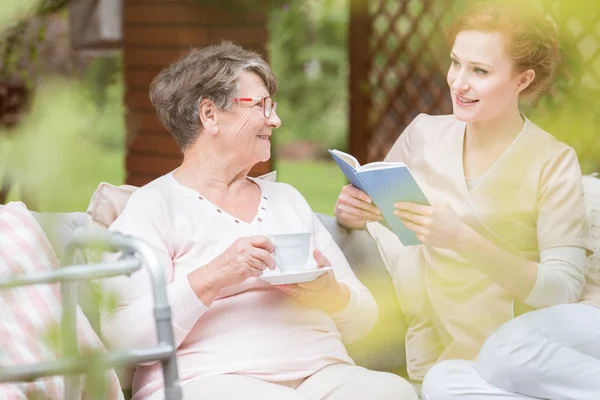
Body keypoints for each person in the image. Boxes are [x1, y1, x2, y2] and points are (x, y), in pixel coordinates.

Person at [98, 42, 417, 400]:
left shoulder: (288, 200)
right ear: (209, 114)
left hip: (323, 375)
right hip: (210, 380)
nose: (275, 120)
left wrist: (330, 294)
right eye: (261, 105)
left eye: (273, 107)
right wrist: (213, 277)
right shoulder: (153, 206)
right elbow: (121, 336)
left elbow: (364, 320)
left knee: (393, 392)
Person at [334, 2, 600, 399]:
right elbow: (388, 214)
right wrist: (353, 213)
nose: (458, 82)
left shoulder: (551, 160)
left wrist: (462, 238)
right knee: (442, 385)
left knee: (508, 354)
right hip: (464, 349)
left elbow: (561, 289)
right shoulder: (422, 135)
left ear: (521, 80)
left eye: (480, 71)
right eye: (456, 63)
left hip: (539, 337)